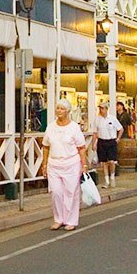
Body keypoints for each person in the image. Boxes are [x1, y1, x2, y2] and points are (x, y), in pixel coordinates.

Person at [42, 98, 88, 231]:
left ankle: (71, 220)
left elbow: (81, 147)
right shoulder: (51, 126)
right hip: (54, 164)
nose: (59, 111)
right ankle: (58, 219)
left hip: (71, 163)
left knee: (71, 192)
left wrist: (83, 165)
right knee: (56, 192)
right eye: (58, 108)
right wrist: (44, 165)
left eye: (62, 109)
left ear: (67, 111)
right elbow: (45, 146)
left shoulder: (74, 127)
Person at [92, 101, 121, 188]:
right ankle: (106, 180)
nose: (101, 110)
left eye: (102, 108)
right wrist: (94, 144)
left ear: (106, 109)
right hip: (101, 141)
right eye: (100, 108)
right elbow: (95, 132)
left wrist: (118, 138)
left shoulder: (112, 118)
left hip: (111, 141)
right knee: (104, 162)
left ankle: (112, 176)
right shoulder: (97, 119)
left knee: (112, 161)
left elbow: (120, 128)